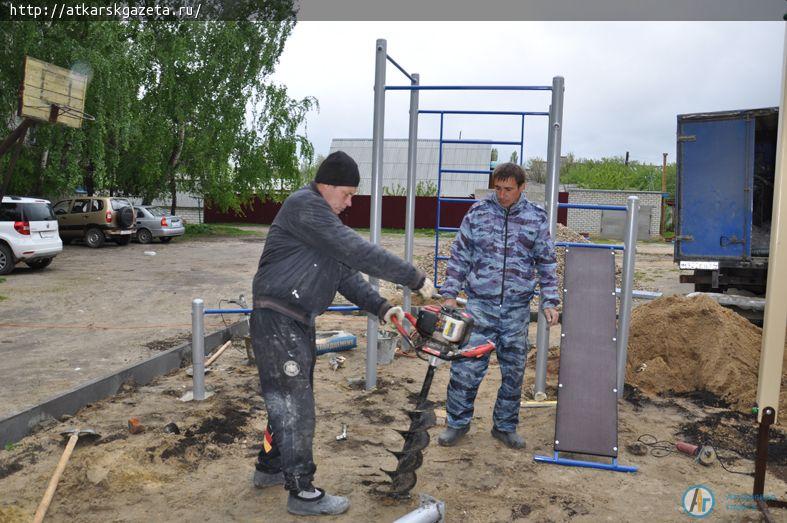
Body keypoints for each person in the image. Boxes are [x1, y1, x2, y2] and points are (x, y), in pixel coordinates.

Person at [249, 151, 435, 516]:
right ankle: (302, 492)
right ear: (327, 185)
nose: (350, 203)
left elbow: (347, 274)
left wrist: (382, 307)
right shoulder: (306, 206)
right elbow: (358, 251)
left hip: (295, 321)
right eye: (347, 194)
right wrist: (413, 277)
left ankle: (270, 467)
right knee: (296, 406)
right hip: (278, 320)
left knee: (288, 399)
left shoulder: (322, 227)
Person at [437, 162, 560, 450]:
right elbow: (460, 256)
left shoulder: (535, 218)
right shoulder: (477, 213)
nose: (502, 195)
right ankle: (457, 423)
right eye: (498, 188)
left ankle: (505, 427)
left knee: (514, 372)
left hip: (516, 310)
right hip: (479, 306)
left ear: (522, 188)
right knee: (466, 369)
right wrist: (449, 293)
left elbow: (546, 262)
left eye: (508, 189)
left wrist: (550, 300)